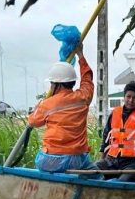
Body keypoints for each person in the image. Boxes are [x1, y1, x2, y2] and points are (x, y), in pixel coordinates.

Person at [27, 43, 100, 176]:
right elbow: (87, 79)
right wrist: (81, 55)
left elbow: (32, 122)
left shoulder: (46, 104)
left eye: (51, 83)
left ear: (56, 84)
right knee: (97, 175)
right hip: (76, 159)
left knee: (41, 162)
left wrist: (36, 109)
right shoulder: (83, 97)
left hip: (50, 160)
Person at [96, 81, 135, 182]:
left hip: (134, 163)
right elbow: (106, 138)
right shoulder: (114, 113)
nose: (131, 100)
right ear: (124, 97)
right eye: (128, 96)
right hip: (111, 161)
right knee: (92, 171)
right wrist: (101, 160)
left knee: (123, 182)